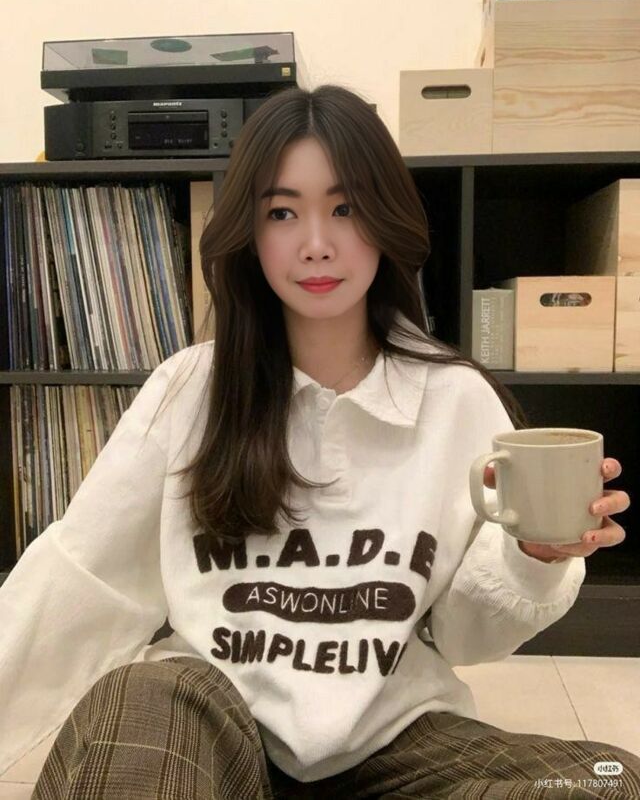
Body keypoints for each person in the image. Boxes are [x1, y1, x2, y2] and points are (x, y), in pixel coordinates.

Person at [0, 84, 637, 799]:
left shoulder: (455, 397)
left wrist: (533, 557)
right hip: (215, 722)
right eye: (282, 212)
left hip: (397, 736)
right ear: (250, 231)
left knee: (608, 781)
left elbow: (463, 636)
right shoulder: (190, 389)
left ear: (385, 219)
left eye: (345, 208)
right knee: (135, 699)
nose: (316, 244)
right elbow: (82, 576)